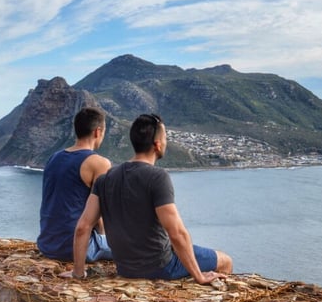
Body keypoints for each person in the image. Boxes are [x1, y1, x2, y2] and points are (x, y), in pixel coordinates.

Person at [68, 113, 232, 284]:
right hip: (161, 266)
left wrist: (78, 274)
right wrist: (199, 276)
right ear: (157, 144)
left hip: (124, 267)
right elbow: (176, 233)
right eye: (165, 138)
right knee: (225, 261)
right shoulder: (157, 177)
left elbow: (82, 227)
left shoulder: (105, 179)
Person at [37, 107, 113, 262]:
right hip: (79, 248)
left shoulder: (54, 157)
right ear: (98, 132)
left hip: (47, 244)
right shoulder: (99, 163)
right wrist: (106, 239)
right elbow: (99, 213)